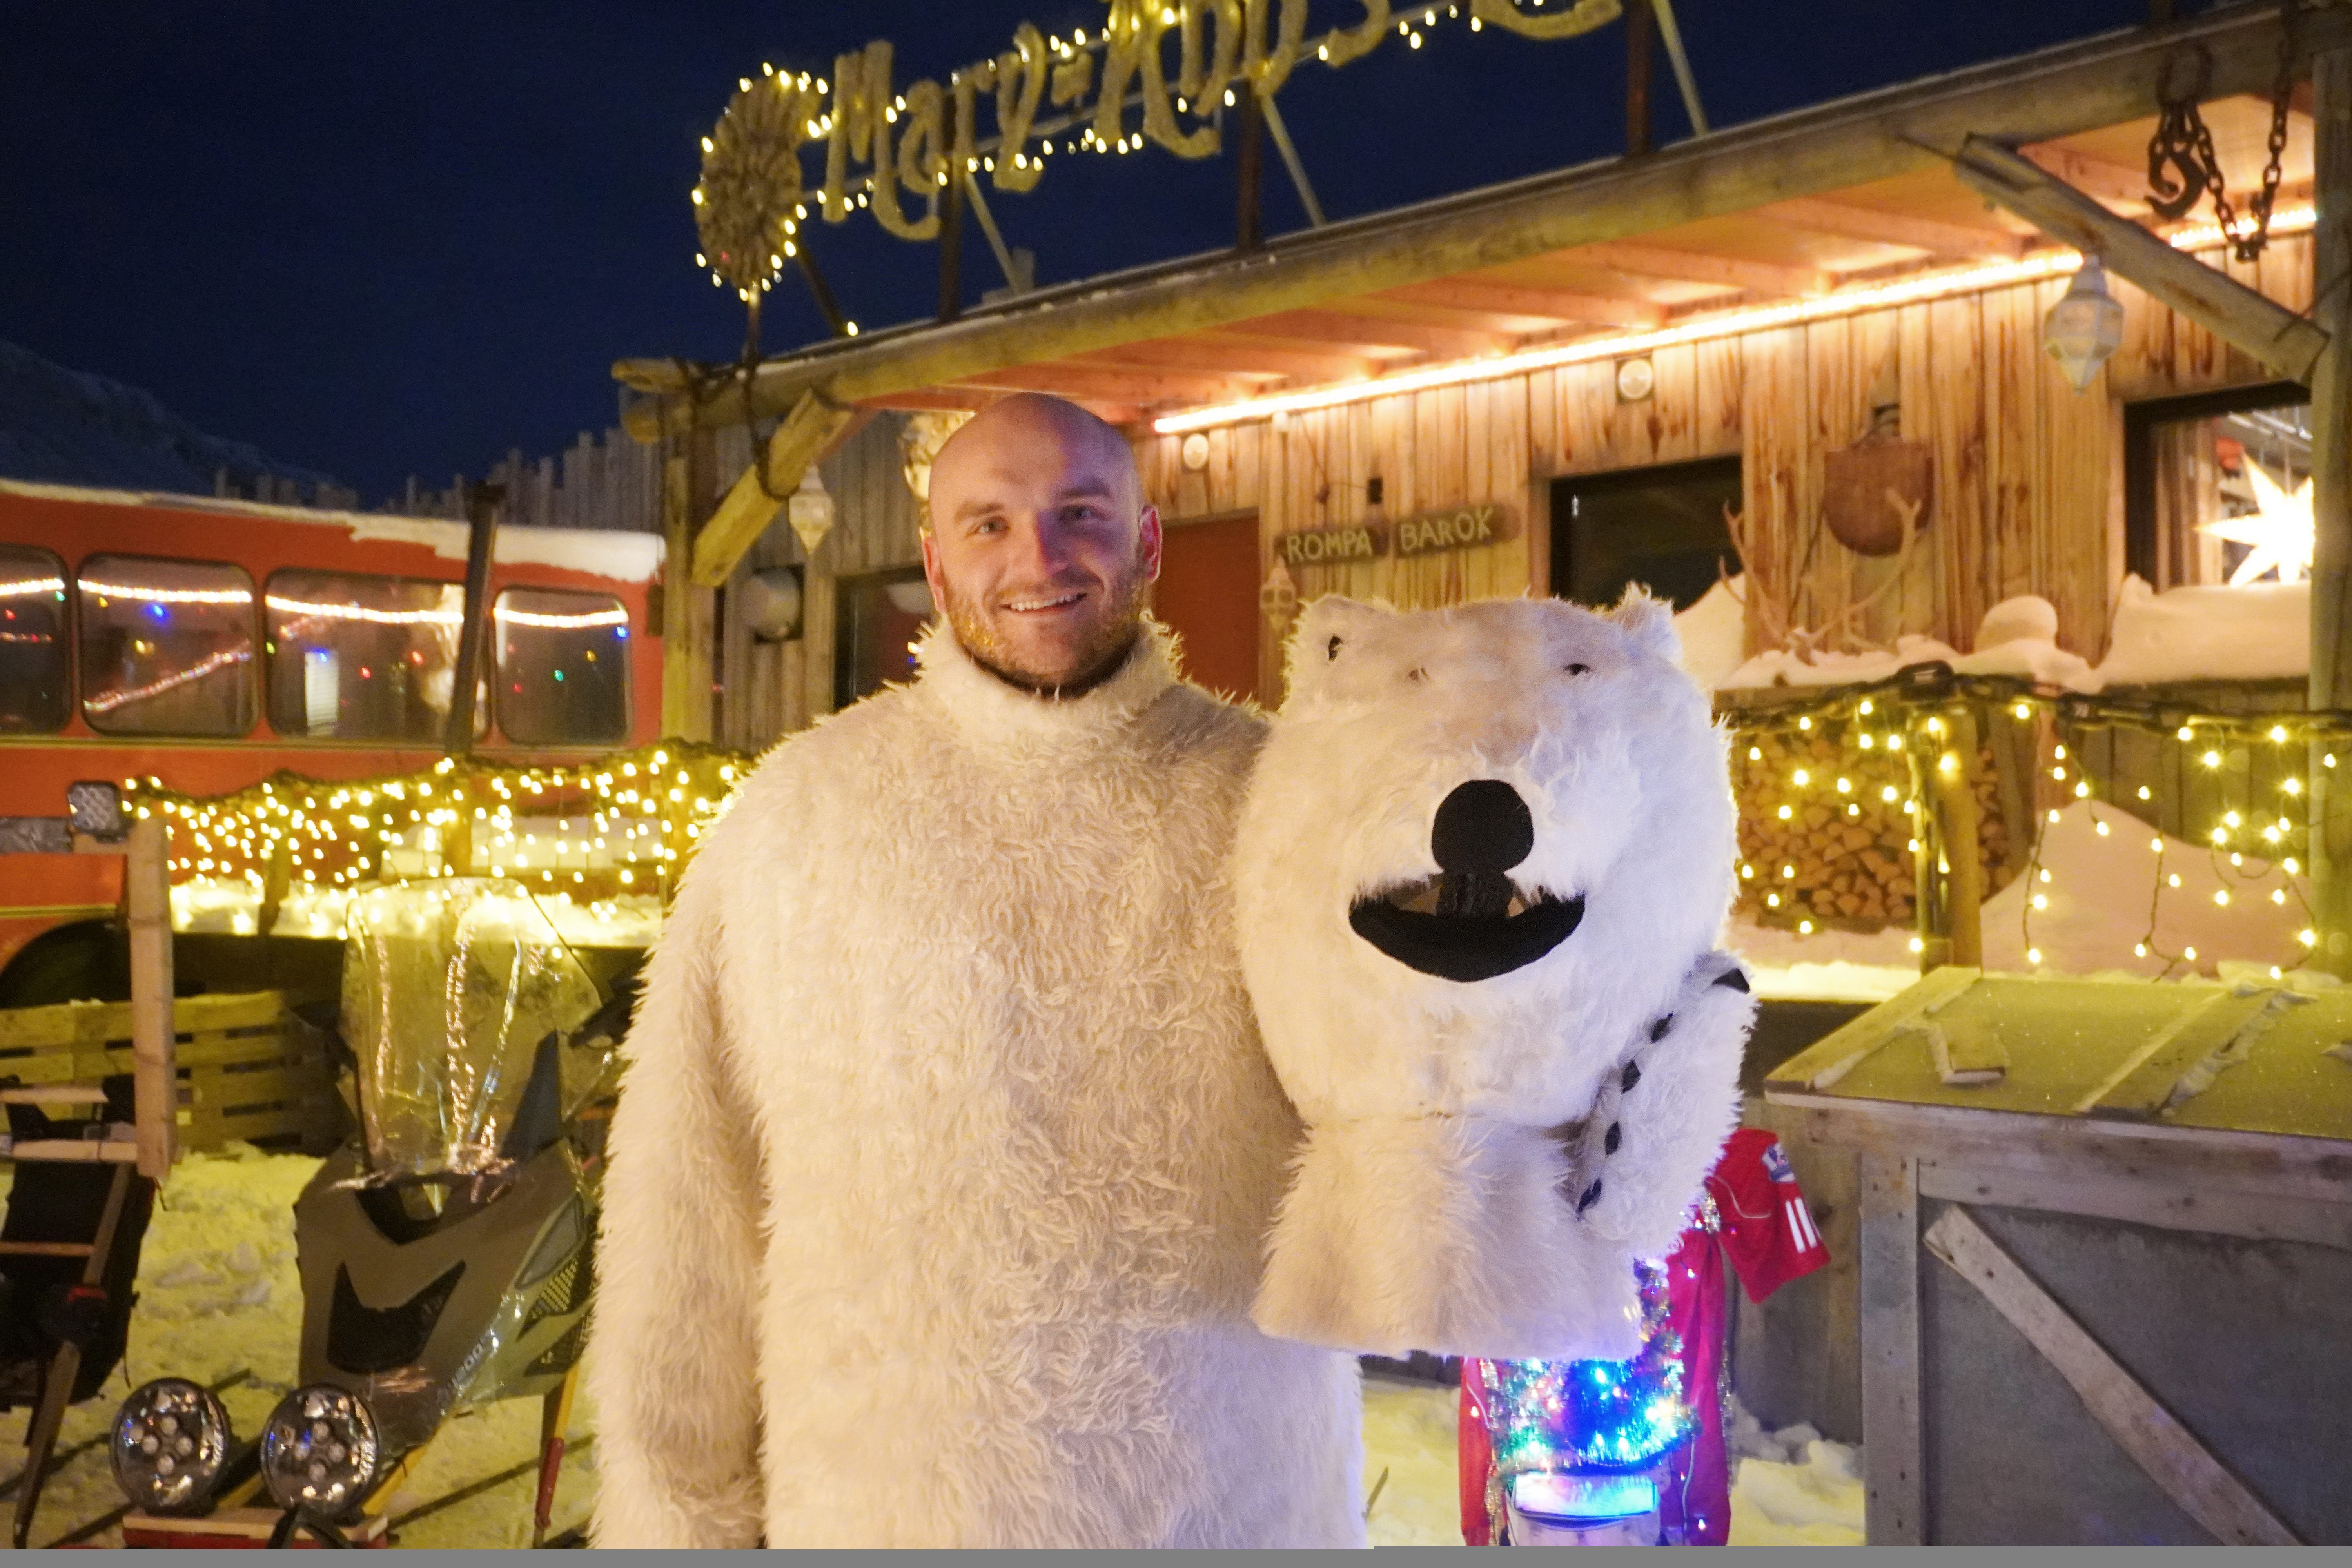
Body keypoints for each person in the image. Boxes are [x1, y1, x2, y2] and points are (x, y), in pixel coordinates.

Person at [586, 394, 1363, 1548]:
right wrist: (674, 1513)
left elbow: (1407, 1118)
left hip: (1231, 1503)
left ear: (1148, 541)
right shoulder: (802, 816)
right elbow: (689, 1197)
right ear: (937, 565)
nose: (1038, 558)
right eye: (989, 524)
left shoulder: (1285, 802)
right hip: (892, 1508)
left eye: (1079, 513)